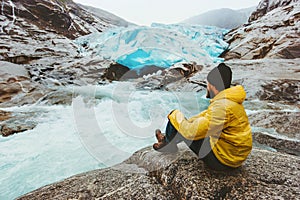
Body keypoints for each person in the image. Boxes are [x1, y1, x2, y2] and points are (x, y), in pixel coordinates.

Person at [153, 63, 252, 171]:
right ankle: (167, 140)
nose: (207, 87)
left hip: (222, 161)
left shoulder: (222, 107)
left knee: (177, 120)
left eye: (208, 84)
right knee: (185, 124)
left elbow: (191, 132)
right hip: (232, 155)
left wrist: (174, 115)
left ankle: (168, 145)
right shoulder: (229, 101)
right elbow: (205, 116)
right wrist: (186, 122)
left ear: (213, 86)